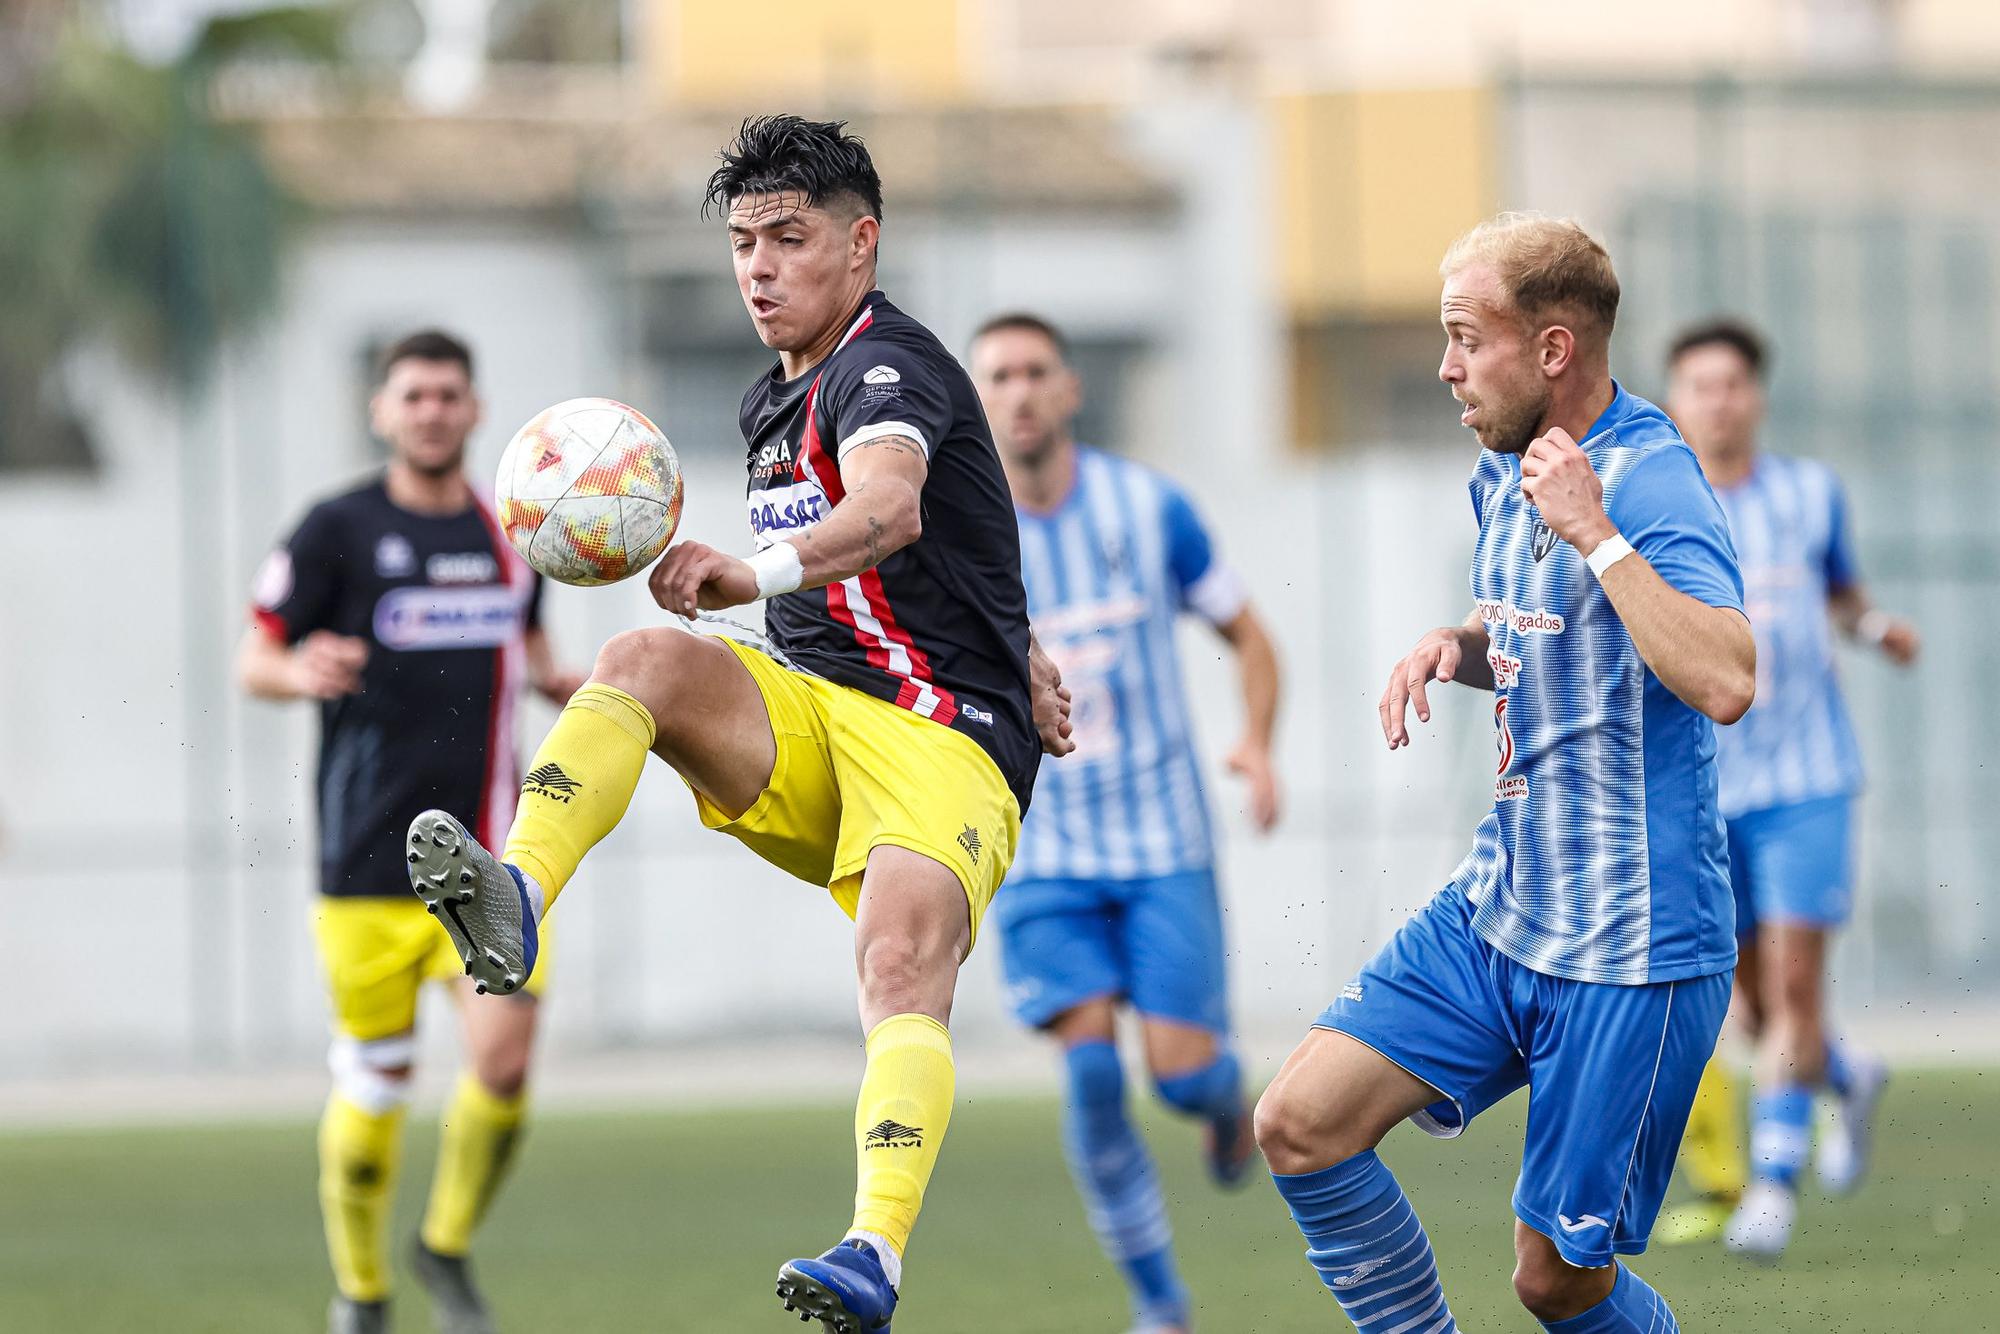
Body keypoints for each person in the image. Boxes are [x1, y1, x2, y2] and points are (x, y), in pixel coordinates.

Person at [398, 116, 1073, 1334]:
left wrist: (752, 573)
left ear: (860, 243)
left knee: (898, 966)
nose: (757, 266)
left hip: (943, 740)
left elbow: (892, 510)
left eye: (788, 237)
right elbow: (954, 557)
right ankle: (519, 892)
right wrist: (1020, 636)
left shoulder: (886, 368)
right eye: (742, 242)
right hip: (815, 718)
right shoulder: (773, 395)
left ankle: (872, 1251)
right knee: (643, 657)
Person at [1252, 213, 1755, 1334]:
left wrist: (1599, 535)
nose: (1444, 367)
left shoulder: (1651, 482)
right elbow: (1555, 637)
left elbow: (1723, 676)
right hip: (1499, 909)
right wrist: (1460, 648)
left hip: (1629, 950)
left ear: (1551, 351)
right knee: (1297, 1121)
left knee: (1552, 1280)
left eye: (1464, 338)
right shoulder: (1500, 475)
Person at [239, 330, 584, 1334]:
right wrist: (297, 670)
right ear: (384, 412)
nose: (431, 410)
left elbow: (526, 650)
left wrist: (560, 679)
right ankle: (361, 1290)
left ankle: (443, 1242)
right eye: (413, 395)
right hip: (362, 864)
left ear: (474, 411)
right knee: (375, 1092)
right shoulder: (335, 529)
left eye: (448, 394)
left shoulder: (512, 533)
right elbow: (252, 657)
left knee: (506, 1062)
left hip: (484, 860)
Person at [966, 312, 1282, 1334]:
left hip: (1162, 844)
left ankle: (1224, 1101)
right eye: (997, 376)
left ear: (1068, 391)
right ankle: (1160, 1303)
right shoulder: (954, 532)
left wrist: (1258, 741)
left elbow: (1247, 633)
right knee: (1094, 1069)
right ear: (977, 401)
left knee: (1183, 1077)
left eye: (1033, 372)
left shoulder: (1149, 509)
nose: (1016, 392)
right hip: (1038, 849)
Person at [1655, 319, 1919, 1259]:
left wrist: (1876, 624)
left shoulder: (1810, 495)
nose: (1718, 400)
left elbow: (1841, 592)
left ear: (1756, 396)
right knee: (1755, 1003)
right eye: (1699, 385)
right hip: (1705, 786)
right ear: (1676, 401)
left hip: (1810, 777)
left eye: (1733, 383)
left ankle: (1772, 1183)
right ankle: (1844, 1076)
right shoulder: (1661, 506)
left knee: (1798, 980)